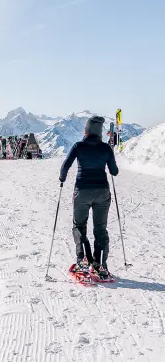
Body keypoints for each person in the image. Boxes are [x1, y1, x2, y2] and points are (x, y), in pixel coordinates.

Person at [59, 115, 119, 277]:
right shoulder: (106, 148)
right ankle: (99, 263)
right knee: (100, 228)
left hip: (82, 191)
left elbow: (65, 166)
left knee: (79, 225)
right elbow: (114, 171)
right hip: (102, 192)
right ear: (100, 132)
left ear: (86, 131)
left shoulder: (78, 146)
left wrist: (62, 178)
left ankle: (83, 258)